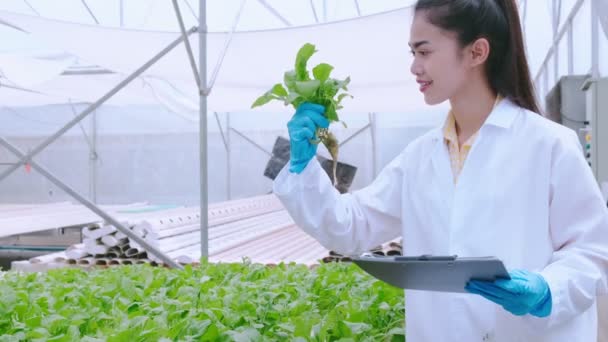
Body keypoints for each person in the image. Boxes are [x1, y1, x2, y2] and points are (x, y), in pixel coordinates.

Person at [272, 0, 608, 341]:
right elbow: (351, 226)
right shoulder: (420, 157)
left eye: (425, 52)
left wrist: (547, 290)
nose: (415, 67)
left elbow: (593, 252)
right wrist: (303, 168)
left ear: (477, 52)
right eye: (412, 53)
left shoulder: (549, 145)